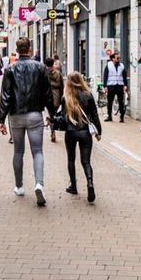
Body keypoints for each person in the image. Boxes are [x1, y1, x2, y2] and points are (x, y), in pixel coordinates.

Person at [0, 37, 54, 207]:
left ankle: (19, 186)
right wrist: (52, 114)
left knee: (18, 151)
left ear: (17, 49)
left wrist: (1, 119)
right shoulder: (40, 67)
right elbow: (48, 94)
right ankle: (39, 184)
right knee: (37, 151)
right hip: (35, 114)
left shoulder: (10, 69)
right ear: (29, 49)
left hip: (16, 116)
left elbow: (5, 96)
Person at [58, 72, 102, 203]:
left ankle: (73, 186)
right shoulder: (88, 95)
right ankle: (90, 183)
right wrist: (99, 131)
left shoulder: (66, 97)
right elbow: (95, 115)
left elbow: (63, 117)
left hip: (71, 132)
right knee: (86, 161)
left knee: (71, 159)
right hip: (85, 133)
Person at [103, 52, 128, 122]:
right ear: (112, 58)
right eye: (117, 58)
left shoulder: (122, 65)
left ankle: (122, 117)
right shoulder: (108, 65)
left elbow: (124, 76)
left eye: (119, 58)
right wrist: (105, 86)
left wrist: (125, 85)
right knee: (110, 102)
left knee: (121, 102)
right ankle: (109, 117)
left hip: (119, 85)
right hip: (111, 86)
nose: (118, 59)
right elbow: (105, 76)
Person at [46, 57, 63, 143]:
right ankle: (53, 129)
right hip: (56, 96)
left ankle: (52, 130)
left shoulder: (44, 73)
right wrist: (62, 98)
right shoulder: (58, 73)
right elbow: (61, 87)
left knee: (51, 114)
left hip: (47, 96)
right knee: (54, 115)